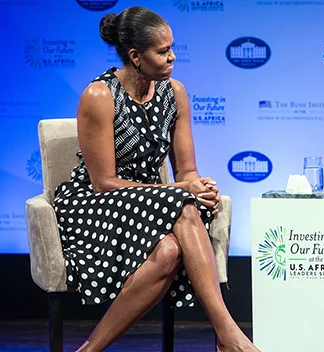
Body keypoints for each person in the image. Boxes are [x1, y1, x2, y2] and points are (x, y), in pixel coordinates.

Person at [53, 6, 261, 352]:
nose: (173, 57)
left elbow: (187, 171)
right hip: (95, 206)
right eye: (163, 51)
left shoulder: (173, 92)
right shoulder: (99, 96)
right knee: (182, 205)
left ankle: (88, 350)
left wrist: (201, 186)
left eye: (172, 48)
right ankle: (229, 336)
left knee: (168, 251)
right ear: (135, 56)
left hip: (154, 201)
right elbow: (104, 182)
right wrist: (182, 190)